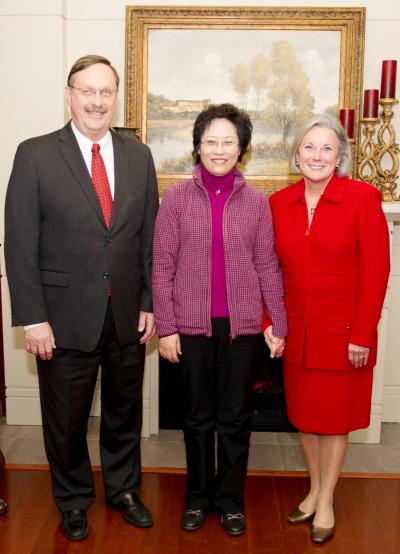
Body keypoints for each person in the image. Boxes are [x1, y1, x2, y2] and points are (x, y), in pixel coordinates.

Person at [4, 55, 159, 541]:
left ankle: (124, 491)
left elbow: (149, 238)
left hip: (126, 315)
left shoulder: (139, 155)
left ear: (116, 98)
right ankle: (72, 500)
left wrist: (150, 302)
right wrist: (32, 319)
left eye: (105, 91)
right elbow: (19, 242)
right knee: (66, 421)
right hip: (62, 317)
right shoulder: (35, 154)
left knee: (123, 414)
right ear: (69, 94)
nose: (96, 101)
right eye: (86, 90)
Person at [152, 103, 287, 536]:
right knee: (196, 419)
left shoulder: (256, 202)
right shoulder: (175, 198)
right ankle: (197, 498)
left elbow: (267, 264)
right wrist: (167, 327)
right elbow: (162, 266)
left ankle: (230, 501)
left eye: (229, 141)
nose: (219, 149)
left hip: (243, 329)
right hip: (190, 328)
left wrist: (279, 323)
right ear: (197, 146)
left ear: (241, 149)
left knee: (235, 419)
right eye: (211, 140)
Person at [267, 114, 390, 544]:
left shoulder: (363, 198)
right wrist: (271, 324)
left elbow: (376, 273)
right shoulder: (278, 203)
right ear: (296, 155)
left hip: (342, 333)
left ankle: (327, 498)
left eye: (326, 149)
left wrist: (362, 333)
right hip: (296, 332)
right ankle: (315, 489)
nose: (316, 156)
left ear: (340, 157)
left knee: (334, 421)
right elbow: (269, 272)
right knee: (305, 416)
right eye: (309, 147)